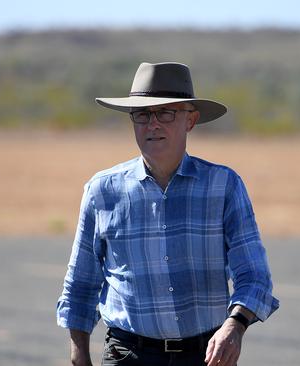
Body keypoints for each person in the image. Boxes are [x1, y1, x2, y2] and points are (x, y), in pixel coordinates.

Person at [56, 62, 279, 366]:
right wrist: (78, 352)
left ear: (190, 120)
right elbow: (80, 283)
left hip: (207, 355)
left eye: (166, 113)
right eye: (143, 115)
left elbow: (254, 276)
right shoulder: (102, 190)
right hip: (127, 354)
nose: (153, 124)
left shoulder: (224, 186)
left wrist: (234, 327)